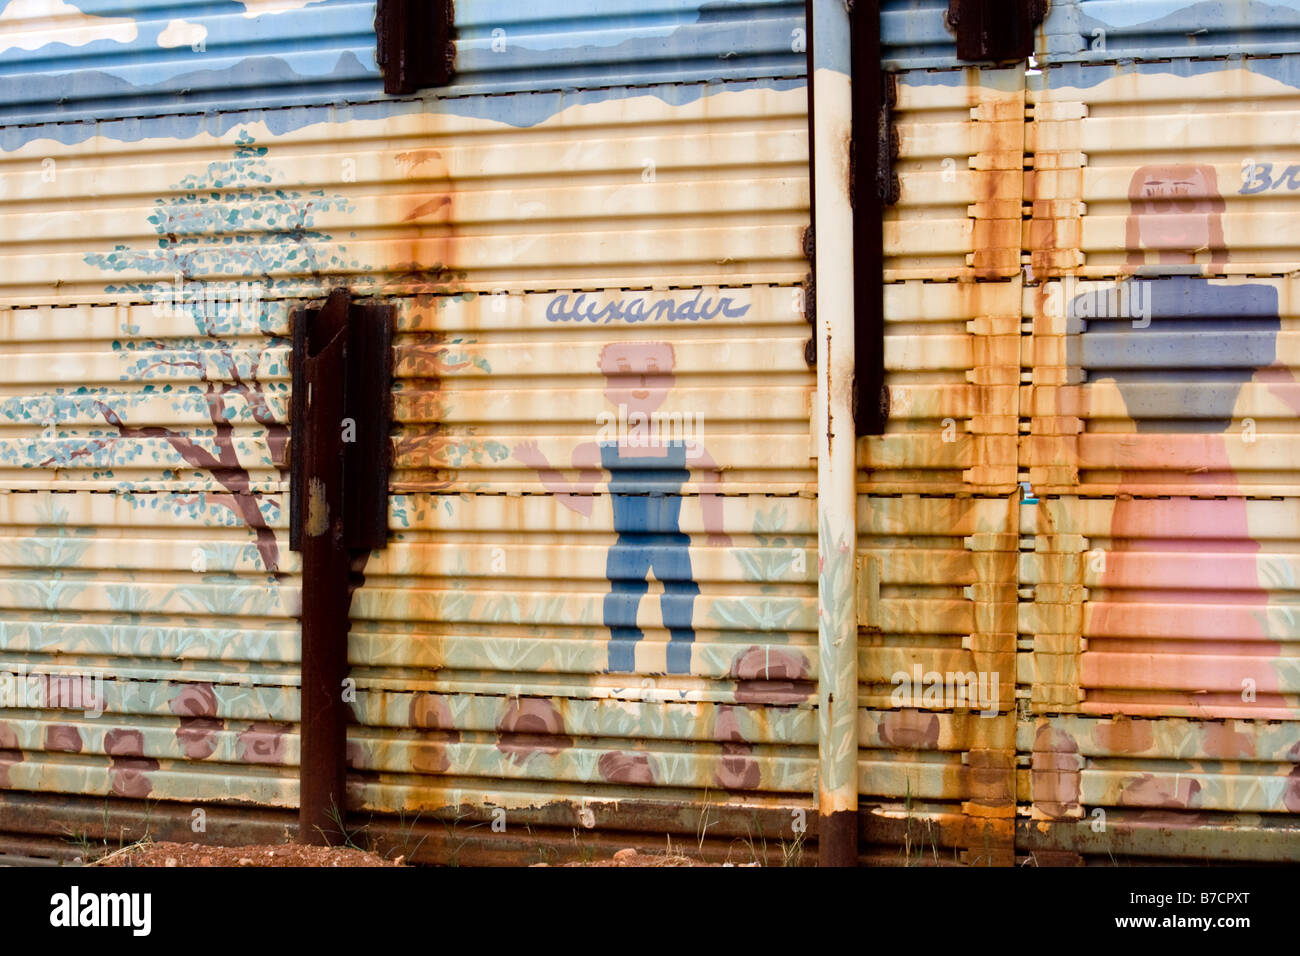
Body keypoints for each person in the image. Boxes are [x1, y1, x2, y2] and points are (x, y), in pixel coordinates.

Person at [513, 341, 730, 675]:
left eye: (653, 372)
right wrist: (543, 467)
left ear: (669, 381)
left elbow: (710, 477)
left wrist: (716, 531)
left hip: (671, 544)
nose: (640, 384)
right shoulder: (598, 450)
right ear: (609, 386)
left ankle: (682, 677)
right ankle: (620, 677)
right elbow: (581, 501)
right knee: (621, 619)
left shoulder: (684, 446)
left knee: (680, 617)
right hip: (627, 545)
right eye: (624, 373)